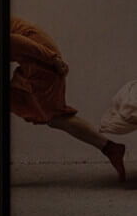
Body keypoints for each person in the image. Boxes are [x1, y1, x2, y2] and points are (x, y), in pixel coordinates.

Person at [10, 17, 126, 182]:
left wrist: (53, 60)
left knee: (55, 117)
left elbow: (15, 41)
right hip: (39, 59)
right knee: (55, 117)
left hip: (42, 60)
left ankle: (110, 148)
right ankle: (110, 148)